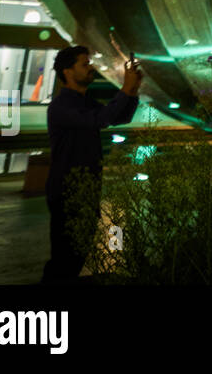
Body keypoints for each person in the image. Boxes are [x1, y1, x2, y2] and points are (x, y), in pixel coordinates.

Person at [41, 46, 141, 284]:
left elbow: (118, 117)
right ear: (67, 71)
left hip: (86, 187)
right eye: (84, 64)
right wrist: (126, 87)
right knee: (65, 258)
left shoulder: (83, 102)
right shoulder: (61, 106)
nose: (91, 68)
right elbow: (101, 118)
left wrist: (133, 89)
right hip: (67, 189)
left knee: (77, 254)